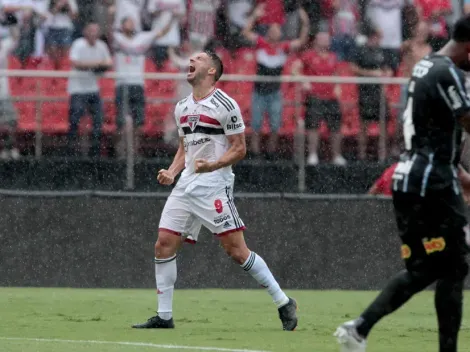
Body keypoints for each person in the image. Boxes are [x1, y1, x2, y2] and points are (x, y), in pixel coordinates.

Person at [131, 51, 298, 331]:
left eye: (197, 58)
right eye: (191, 58)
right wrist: (172, 172)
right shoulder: (182, 106)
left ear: (211, 71)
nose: (191, 61)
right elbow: (186, 148)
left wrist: (214, 165)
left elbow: (239, 148)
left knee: (237, 251)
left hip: (214, 184)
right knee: (163, 244)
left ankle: (283, 301)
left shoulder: (225, 104)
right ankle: (164, 315)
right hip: (186, 184)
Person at [335, 15, 470, 352]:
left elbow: (439, 127)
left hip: (414, 175)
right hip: (431, 181)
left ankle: (359, 329)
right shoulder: (445, 73)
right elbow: (466, 120)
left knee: (433, 267)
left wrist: (459, 172)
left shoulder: (428, 67)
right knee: (452, 265)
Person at [242, 3, 308, 160]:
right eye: (273, 29)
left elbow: (302, 41)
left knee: (275, 125)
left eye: (278, 29)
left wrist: (305, 23)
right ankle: (255, 153)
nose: (275, 31)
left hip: (274, 92)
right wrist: (254, 16)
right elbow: (245, 33)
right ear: (268, 32)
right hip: (259, 92)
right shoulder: (261, 43)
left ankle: (271, 153)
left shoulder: (283, 47)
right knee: (256, 125)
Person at [113, 16, 175, 158]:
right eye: (128, 22)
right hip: (122, 83)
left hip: (137, 84)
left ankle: (134, 153)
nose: (131, 24)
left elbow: (161, 33)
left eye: (132, 22)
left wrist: (172, 19)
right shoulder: (117, 38)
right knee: (121, 123)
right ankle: (120, 153)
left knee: (138, 122)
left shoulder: (142, 38)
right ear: (122, 26)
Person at [293, 31, 346, 166]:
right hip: (315, 96)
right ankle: (312, 154)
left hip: (331, 97)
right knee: (313, 125)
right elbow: (295, 68)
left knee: (335, 126)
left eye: (327, 39)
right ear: (316, 40)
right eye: (322, 38)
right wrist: (303, 79)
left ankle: (336, 155)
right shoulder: (308, 55)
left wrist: (337, 85)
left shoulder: (333, 57)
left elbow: (336, 73)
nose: (325, 41)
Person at [67, 22, 112, 157]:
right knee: (75, 120)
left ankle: (95, 153)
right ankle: (71, 153)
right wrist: (97, 64)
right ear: (85, 32)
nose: (94, 34)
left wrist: (93, 65)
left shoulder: (102, 46)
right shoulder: (78, 44)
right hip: (77, 89)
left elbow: (109, 63)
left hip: (93, 88)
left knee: (98, 120)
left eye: (96, 31)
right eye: (91, 30)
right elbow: (75, 63)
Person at [351, 25, 392, 161]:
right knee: (364, 123)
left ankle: (383, 154)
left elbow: (387, 68)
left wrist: (387, 74)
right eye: (378, 37)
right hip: (366, 91)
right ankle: (362, 155)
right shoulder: (361, 51)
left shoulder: (381, 52)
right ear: (372, 36)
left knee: (383, 122)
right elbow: (353, 68)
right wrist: (371, 74)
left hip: (379, 92)